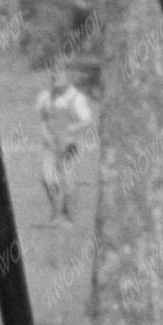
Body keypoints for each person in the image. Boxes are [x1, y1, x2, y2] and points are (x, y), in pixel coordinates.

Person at [37, 68, 94, 222]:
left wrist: (71, 129)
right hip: (51, 145)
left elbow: (87, 121)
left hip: (69, 145)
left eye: (60, 81)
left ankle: (69, 218)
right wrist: (45, 133)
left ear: (67, 81)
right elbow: (43, 117)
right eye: (54, 80)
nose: (56, 85)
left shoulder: (76, 98)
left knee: (68, 181)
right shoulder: (46, 97)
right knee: (46, 179)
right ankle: (56, 213)